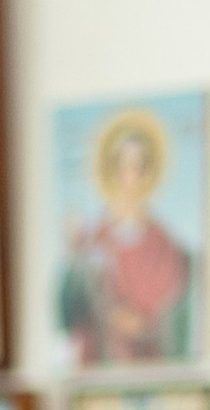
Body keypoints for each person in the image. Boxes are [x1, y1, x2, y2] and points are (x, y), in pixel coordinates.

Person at [59, 109, 195, 365]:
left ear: (148, 171)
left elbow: (171, 298)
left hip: (147, 354)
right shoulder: (91, 235)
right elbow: (75, 302)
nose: (129, 175)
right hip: (98, 355)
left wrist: (142, 320)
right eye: (122, 165)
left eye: (138, 166)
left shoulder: (161, 240)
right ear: (112, 168)